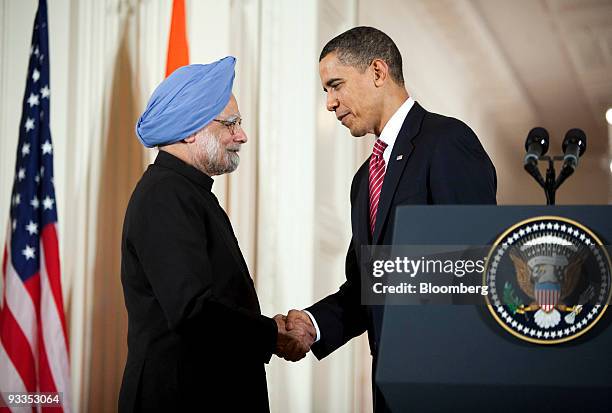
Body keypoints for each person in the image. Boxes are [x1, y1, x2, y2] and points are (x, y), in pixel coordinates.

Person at [284, 27, 497, 411]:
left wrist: (389, 275)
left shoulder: (447, 141)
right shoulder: (364, 179)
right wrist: (312, 325)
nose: (330, 103)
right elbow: (366, 285)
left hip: (449, 386)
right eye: (326, 92)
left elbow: (476, 267)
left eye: (336, 85)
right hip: (391, 392)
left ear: (378, 72)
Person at [118, 56, 315, 412]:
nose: (241, 135)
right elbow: (193, 311)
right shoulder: (166, 195)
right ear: (191, 129)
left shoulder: (187, 192)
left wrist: (264, 328)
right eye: (230, 124)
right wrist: (271, 336)